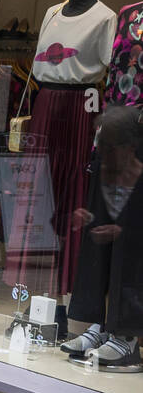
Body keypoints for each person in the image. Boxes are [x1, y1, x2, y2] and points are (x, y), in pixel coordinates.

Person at [62, 105, 143, 372]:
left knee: (130, 235)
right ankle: (102, 323)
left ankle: (125, 335)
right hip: (123, 116)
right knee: (101, 232)